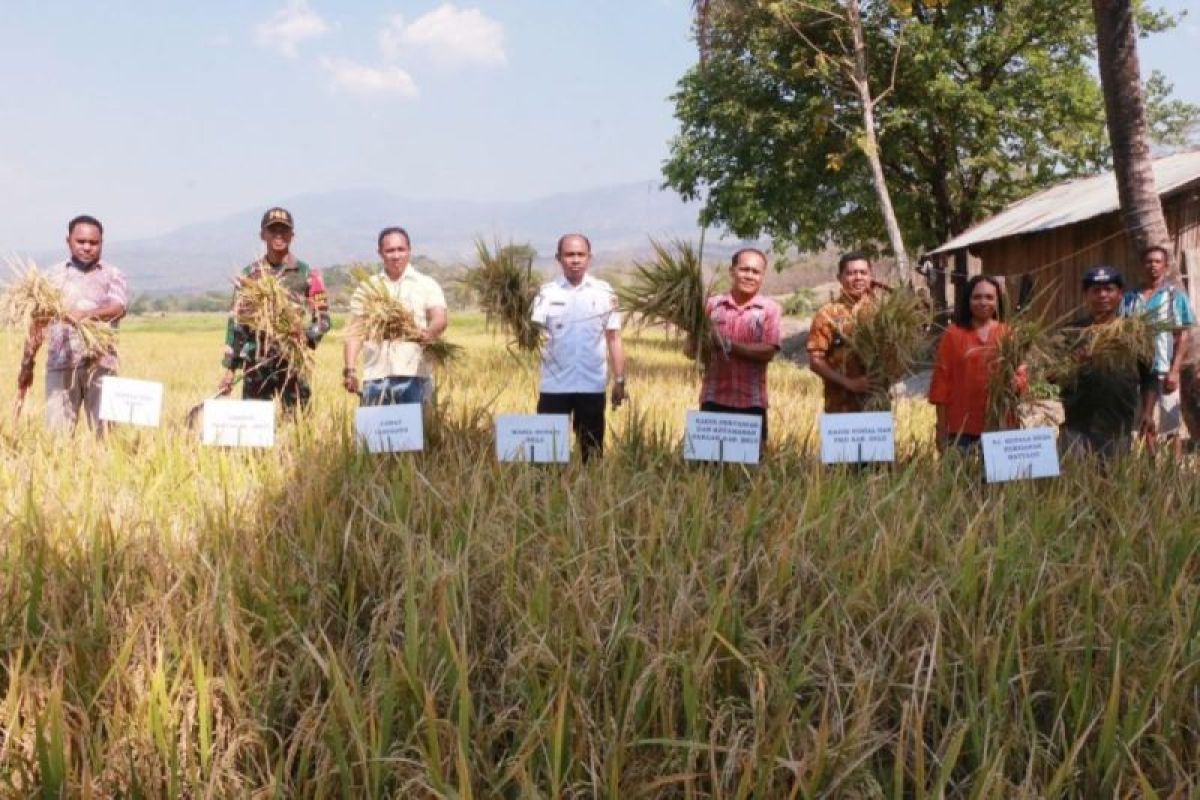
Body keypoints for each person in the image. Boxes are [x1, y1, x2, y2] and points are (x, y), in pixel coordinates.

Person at [17, 215, 128, 432]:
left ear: (101, 243)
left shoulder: (113, 275)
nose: (87, 247)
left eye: (93, 243)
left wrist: (84, 316)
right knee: (57, 437)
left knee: (107, 436)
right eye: (81, 242)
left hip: (101, 366)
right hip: (61, 366)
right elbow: (38, 324)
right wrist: (27, 363)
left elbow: (118, 308)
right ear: (68, 241)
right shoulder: (51, 278)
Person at [216, 207, 331, 412]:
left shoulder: (308, 274)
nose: (279, 235)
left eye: (284, 230)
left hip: (293, 361)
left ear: (292, 236)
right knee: (254, 429)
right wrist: (230, 369)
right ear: (262, 235)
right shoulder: (249, 276)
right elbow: (237, 325)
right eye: (273, 230)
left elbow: (323, 319)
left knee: (298, 425)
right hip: (258, 362)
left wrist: (306, 336)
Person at [529, 233, 626, 462]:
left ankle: (589, 497)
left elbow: (614, 338)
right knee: (548, 457)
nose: (575, 260)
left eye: (580, 254)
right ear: (558, 258)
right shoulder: (545, 294)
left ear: (589, 258)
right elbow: (533, 335)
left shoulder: (604, 293)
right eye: (569, 254)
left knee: (591, 454)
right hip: (554, 387)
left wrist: (620, 380)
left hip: (591, 385)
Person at [1058, 266, 1157, 459]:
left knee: (1115, 484)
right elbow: (1050, 376)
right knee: (1076, 484)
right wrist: (1073, 364)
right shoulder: (1070, 333)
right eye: (1096, 290)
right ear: (1086, 295)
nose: (1102, 295)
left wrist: (1148, 412)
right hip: (1077, 426)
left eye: (1109, 289)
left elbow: (1150, 377)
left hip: (1119, 427)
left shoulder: (1135, 334)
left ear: (1120, 294)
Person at [343, 227, 448, 405]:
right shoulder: (368, 288)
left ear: (409, 250)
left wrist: (428, 333)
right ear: (380, 253)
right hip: (376, 379)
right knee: (373, 433)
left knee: (420, 431)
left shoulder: (426, 284)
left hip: (415, 377)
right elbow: (355, 333)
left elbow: (440, 318)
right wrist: (350, 370)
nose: (396, 255)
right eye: (390, 250)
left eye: (401, 249)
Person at [696, 247, 781, 447]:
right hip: (713, 399)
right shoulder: (711, 306)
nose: (749, 276)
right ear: (732, 271)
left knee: (749, 472)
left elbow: (768, 351)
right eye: (744, 270)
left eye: (756, 272)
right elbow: (691, 352)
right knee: (707, 470)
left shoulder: (770, 309)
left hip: (751, 402)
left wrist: (726, 344)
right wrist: (696, 339)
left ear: (762, 276)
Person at [1120, 245, 1195, 456]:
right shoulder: (1130, 299)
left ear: (1165, 266)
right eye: (1148, 262)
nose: (1152, 266)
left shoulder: (1174, 297)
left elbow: (1183, 335)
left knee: (1171, 427)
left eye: (1157, 262)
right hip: (1136, 373)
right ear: (1141, 266)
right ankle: (1150, 468)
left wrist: (1174, 370)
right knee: (1144, 422)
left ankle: (1173, 471)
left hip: (1164, 370)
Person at [928, 275, 1017, 451]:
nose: (983, 302)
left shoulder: (1008, 334)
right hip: (960, 429)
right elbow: (941, 382)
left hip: (999, 424)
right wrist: (941, 428)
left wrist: (1016, 382)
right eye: (977, 297)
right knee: (960, 478)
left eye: (989, 297)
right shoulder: (953, 334)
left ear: (998, 301)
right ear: (967, 301)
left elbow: (1020, 371)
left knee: (998, 479)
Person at [807, 252, 877, 412]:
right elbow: (815, 362)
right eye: (851, 273)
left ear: (871, 276)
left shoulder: (883, 313)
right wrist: (850, 383)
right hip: (840, 405)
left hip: (876, 403)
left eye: (863, 273)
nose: (858, 277)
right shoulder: (827, 314)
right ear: (840, 278)